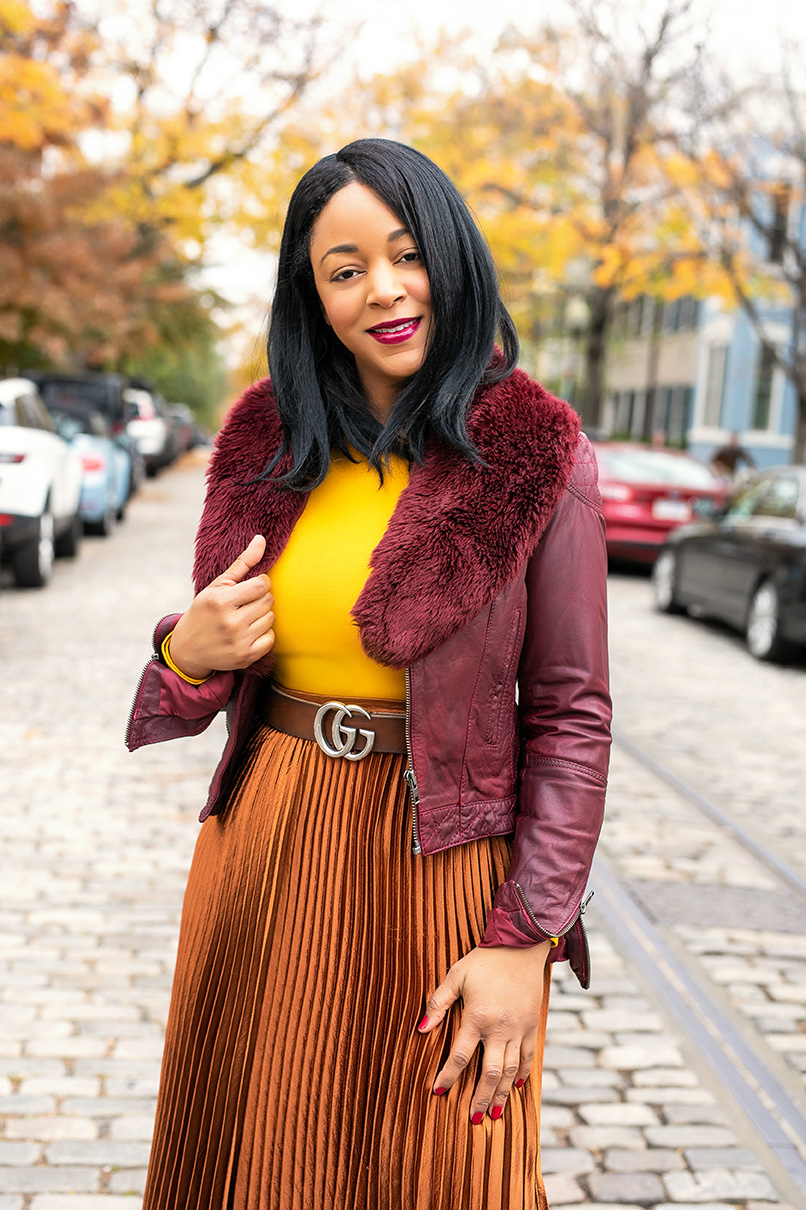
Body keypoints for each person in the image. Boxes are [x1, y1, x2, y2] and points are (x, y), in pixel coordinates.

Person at [126, 138, 611, 1210]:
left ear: (451, 257)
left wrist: (525, 937)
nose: (382, 290)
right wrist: (181, 653)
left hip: (442, 860)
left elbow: (572, 715)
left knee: (444, 1170)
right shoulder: (267, 440)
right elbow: (216, 644)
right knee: (256, 1159)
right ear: (313, 296)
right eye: (343, 269)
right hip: (269, 835)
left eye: (405, 254)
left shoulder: (537, 452)